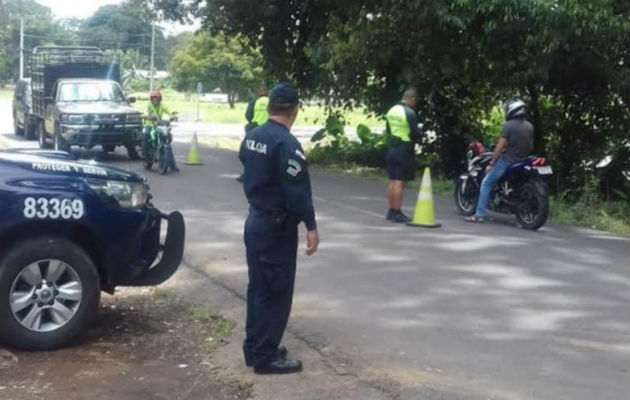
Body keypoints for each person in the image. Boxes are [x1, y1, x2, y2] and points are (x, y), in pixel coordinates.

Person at [239, 82, 319, 374]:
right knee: (276, 290)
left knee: (258, 287)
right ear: (294, 110)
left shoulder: (253, 136)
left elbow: (245, 163)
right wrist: (311, 226)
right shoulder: (287, 144)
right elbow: (297, 192)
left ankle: (255, 347)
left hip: (255, 221)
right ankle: (265, 356)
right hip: (275, 228)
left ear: (270, 106)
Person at [465, 99, 534, 223]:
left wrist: (491, 163)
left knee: (486, 183)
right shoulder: (529, 126)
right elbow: (530, 146)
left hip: (508, 161)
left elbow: (500, 146)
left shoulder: (508, 126)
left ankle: (479, 214)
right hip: (524, 161)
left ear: (511, 110)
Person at [385, 88, 423, 223]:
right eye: (415, 100)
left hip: (392, 147)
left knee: (392, 180)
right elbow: (415, 133)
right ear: (411, 98)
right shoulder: (409, 113)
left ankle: (390, 210)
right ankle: (397, 211)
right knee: (400, 181)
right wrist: (420, 131)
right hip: (404, 148)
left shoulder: (392, 110)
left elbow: (388, 129)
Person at [237, 85, 270, 182]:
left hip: (255, 129)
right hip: (269, 129)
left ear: (258, 92)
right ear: (267, 92)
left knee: (246, 152)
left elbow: (248, 115)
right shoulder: (271, 102)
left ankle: (248, 174)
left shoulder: (254, 102)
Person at [143, 90, 178, 171]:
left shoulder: (162, 105)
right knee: (147, 134)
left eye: (157, 98)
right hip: (150, 124)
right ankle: (144, 153)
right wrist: (150, 116)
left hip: (159, 124)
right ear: (151, 99)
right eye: (153, 98)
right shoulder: (148, 105)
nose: (155, 100)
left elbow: (168, 110)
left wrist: (173, 116)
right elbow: (145, 113)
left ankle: (172, 164)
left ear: (160, 99)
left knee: (167, 141)